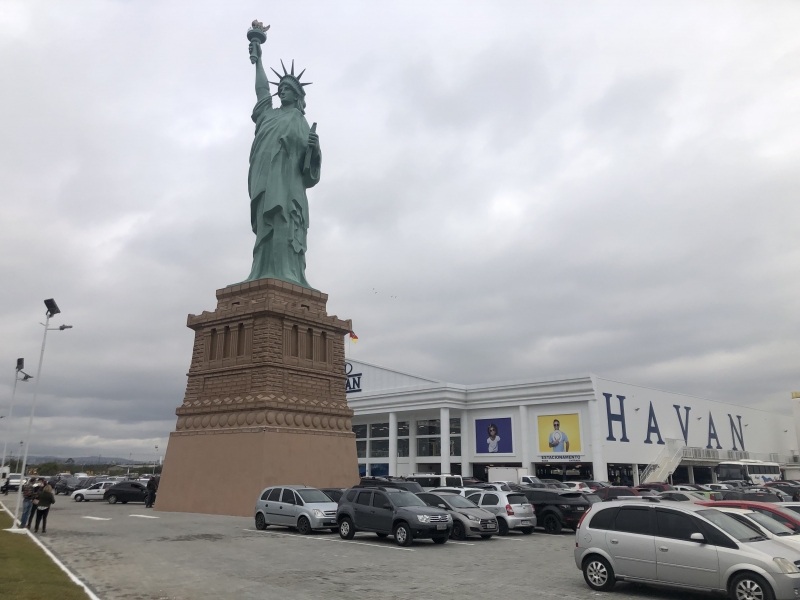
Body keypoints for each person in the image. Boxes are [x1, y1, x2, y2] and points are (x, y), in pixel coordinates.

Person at [240, 36, 321, 287]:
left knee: (284, 222)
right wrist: (258, 60)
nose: (281, 90)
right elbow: (262, 90)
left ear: (296, 95)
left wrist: (314, 149)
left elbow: (308, 169)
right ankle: (262, 271)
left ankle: (287, 274)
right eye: (281, 88)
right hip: (264, 177)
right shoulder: (268, 115)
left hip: (288, 185)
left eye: (287, 88)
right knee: (266, 227)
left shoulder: (299, 120)